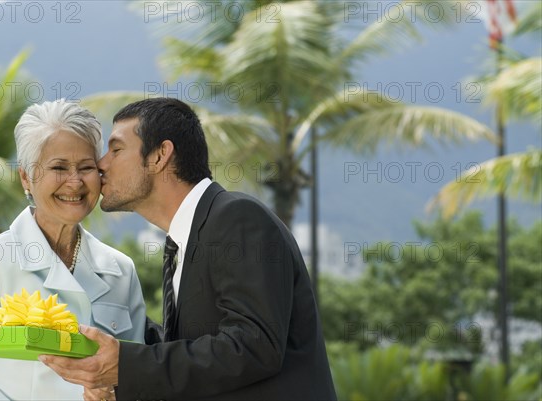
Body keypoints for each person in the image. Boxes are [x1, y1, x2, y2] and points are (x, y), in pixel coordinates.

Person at [40, 97, 337, 401]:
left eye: (116, 149)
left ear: (160, 156)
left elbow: (253, 345)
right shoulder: (182, 244)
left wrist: (124, 365)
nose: (101, 164)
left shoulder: (237, 219)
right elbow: (197, 356)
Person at [0, 100, 146, 401]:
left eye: (87, 167)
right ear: (26, 177)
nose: (75, 182)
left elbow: (139, 373)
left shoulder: (121, 270)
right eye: (59, 167)